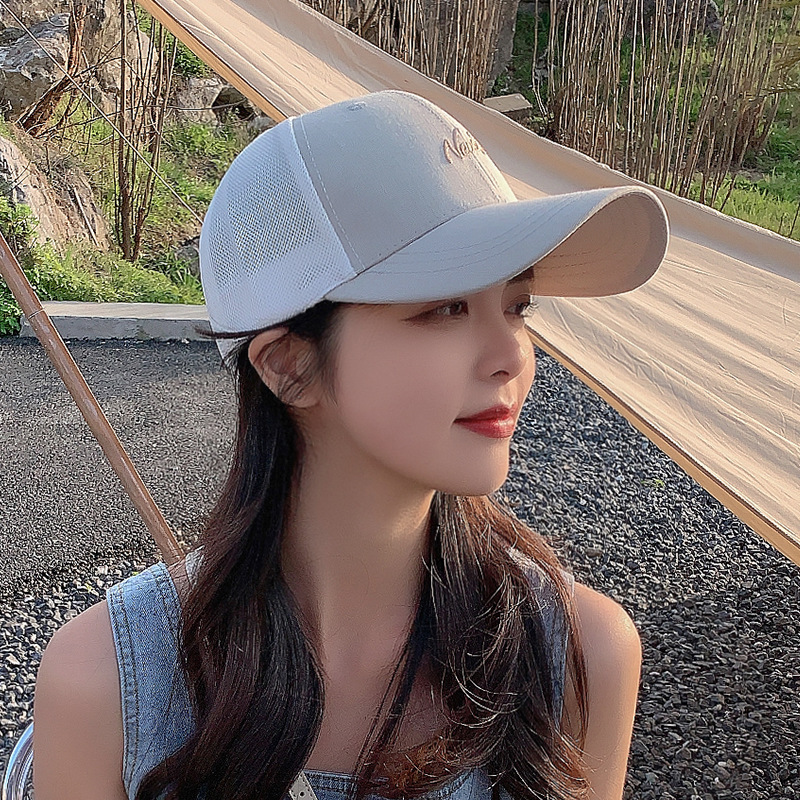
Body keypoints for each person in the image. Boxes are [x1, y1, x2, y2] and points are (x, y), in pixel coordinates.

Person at [32, 90, 669, 800]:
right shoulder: (107, 686)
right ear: (288, 365)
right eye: (446, 306)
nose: (511, 356)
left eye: (518, 306)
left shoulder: (579, 658)